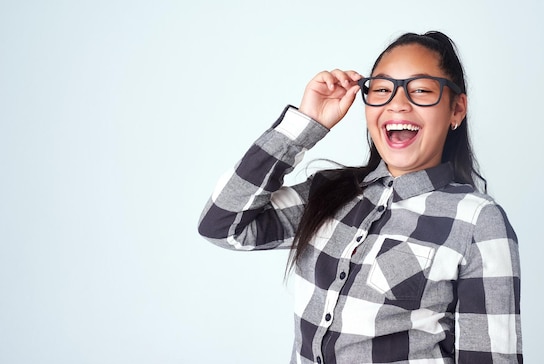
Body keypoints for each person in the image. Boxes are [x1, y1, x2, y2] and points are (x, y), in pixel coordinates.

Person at [198, 31, 522, 364]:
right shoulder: (326, 194)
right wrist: (305, 125)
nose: (397, 103)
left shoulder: (477, 220)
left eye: (421, 90)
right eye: (382, 89)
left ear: (456, 109)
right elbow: (222, 224)